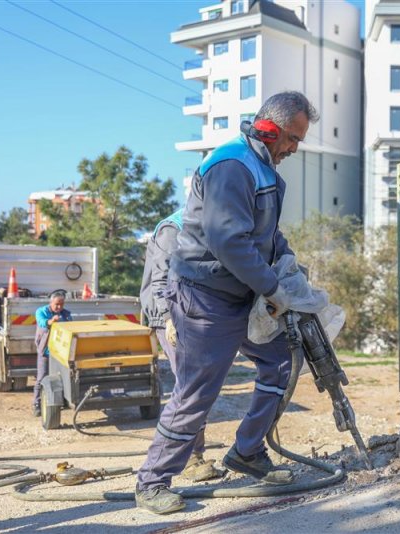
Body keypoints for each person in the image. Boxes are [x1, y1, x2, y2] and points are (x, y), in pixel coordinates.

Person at [135, 91, 318, 514]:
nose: (294, 148)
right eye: (293, 139)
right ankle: (152, 482)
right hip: (206, 298)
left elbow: (265, 235)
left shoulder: (261, 167)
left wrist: (288, 265)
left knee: (281, 361)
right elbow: (229, 241)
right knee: (198, 390)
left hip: (239, 295)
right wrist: (273, 288)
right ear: (270, 129)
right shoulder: (233, 164)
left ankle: (247, 451)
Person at [139, 208, 224, 482]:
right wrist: (168, 318)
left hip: (189, 312)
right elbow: (160, 279)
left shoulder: (205, 225)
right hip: (169, 316)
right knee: (189, 387)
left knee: (196, 384)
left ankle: (192, 455)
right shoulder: (172, 228)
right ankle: (189, 460)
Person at [32, 291, 72, 416]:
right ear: (51, 302)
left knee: (62, 377)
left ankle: (61, 401)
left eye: (62, 304)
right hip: (46, 351)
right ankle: (37, 404)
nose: (59, 307)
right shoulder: (41, 311)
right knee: (42, 376)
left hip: (61, 353)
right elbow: (42, 323)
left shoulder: (66, 314)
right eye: (57, 304)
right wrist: (51, 321)